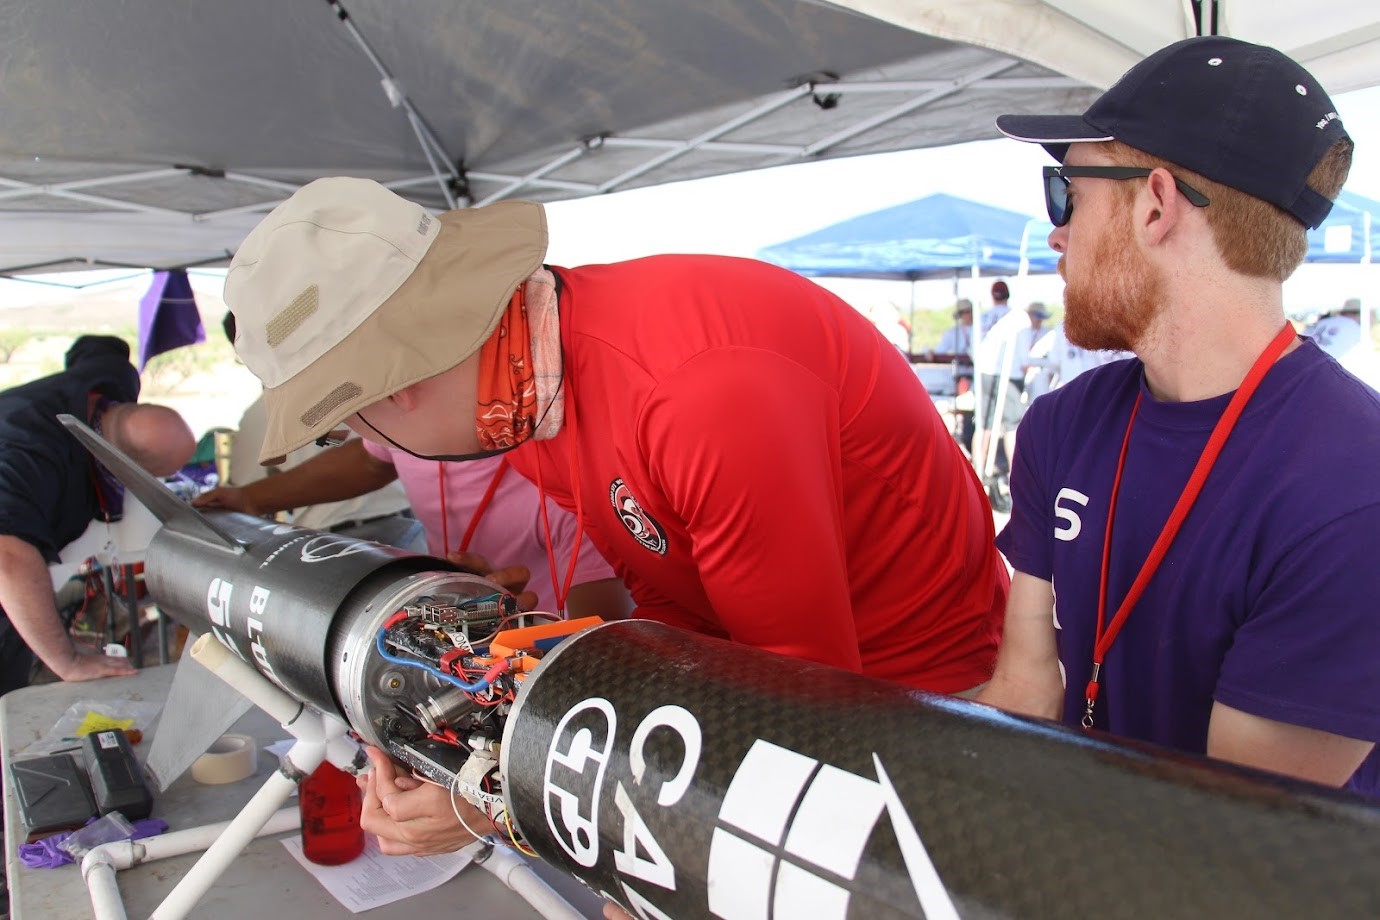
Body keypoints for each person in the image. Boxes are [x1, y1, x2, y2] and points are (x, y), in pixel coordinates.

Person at [221, 177, 1010, 849]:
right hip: (789, 690)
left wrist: (506, 804)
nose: (362, 439)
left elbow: (799, 713)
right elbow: (671, 603)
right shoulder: (527, 390)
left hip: (922, 712)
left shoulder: (697, 396)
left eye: (350, 420)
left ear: (396, 385)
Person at [979, 36, 1379, 797]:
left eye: (1069, 192)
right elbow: (1027, 697)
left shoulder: (1353, 495)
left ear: (1156, 204)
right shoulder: (1061, 425)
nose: (1057, 233)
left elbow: (1232, 831)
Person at [195, 437, 630, 616]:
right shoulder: (403, 423)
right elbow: (370, 459)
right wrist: (252, 499)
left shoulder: (565, 484)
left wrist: (513, 631)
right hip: (454, 627)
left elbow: (604, 629)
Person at [0, 335, 195, 695]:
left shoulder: (108, 382)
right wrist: (68, 661)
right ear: (123, 467)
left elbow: (100, 347)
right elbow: (8, 559)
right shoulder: (27, 452)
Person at [214, 312, 421, 549]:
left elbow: (245, 486)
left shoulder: (261, 415)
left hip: (341, 537)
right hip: (401, 524)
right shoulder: (352, 384)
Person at [935, 299, 976, 454]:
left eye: (968, 311)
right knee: (963, 410)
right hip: (963, 377)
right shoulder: (954, 333)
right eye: (963, 312)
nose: (966, 315)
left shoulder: (981, 329)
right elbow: (940, 351)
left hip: (978, 377)